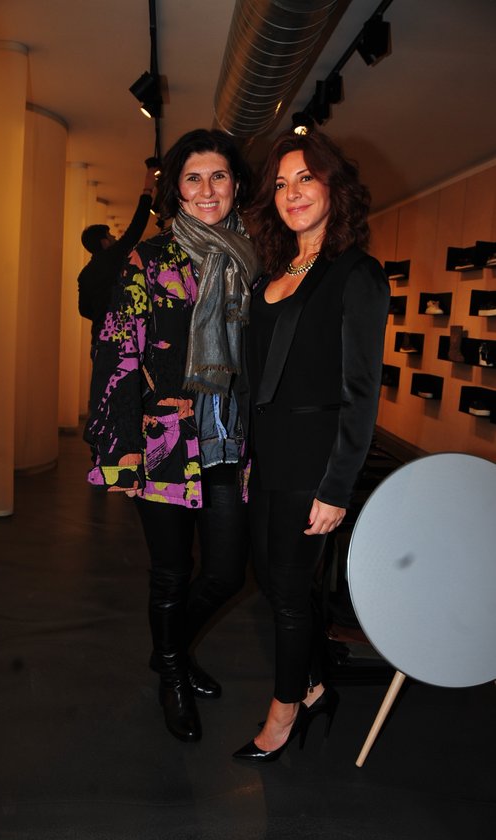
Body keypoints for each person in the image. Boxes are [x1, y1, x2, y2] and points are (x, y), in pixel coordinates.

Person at [84, 129, 259, 743]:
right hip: (164, 440)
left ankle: (169, 653)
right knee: (170, 572)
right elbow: (118, 351)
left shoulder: (254, 259)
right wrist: (121, 448)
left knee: (228, 570)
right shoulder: (149, 260)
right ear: (177, 190)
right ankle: (174, 679)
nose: (207, 189)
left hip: (230, 439)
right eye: (193, 177)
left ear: (235, 184)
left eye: (218, 176)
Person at [232, 127, 390, 762]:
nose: (292, 193)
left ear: (333, 187)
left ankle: (284, 712)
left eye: (305, 178)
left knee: (290, 589)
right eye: (281, 184)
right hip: (270, 451)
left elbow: (362, 390)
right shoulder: (273, 270)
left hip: (316, 455)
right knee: (271, 580)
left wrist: (337, 484)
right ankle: (317, 685)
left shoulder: (357, 273)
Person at [78, 159, 159, 348]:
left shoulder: (85, 275)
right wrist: (147, 189)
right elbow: (135, 228)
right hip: (123, 333)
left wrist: (103, 312)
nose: (115, 238)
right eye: (110, 236)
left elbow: (84, 310)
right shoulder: (111, 257)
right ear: (104, 242)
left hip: (100, 338)